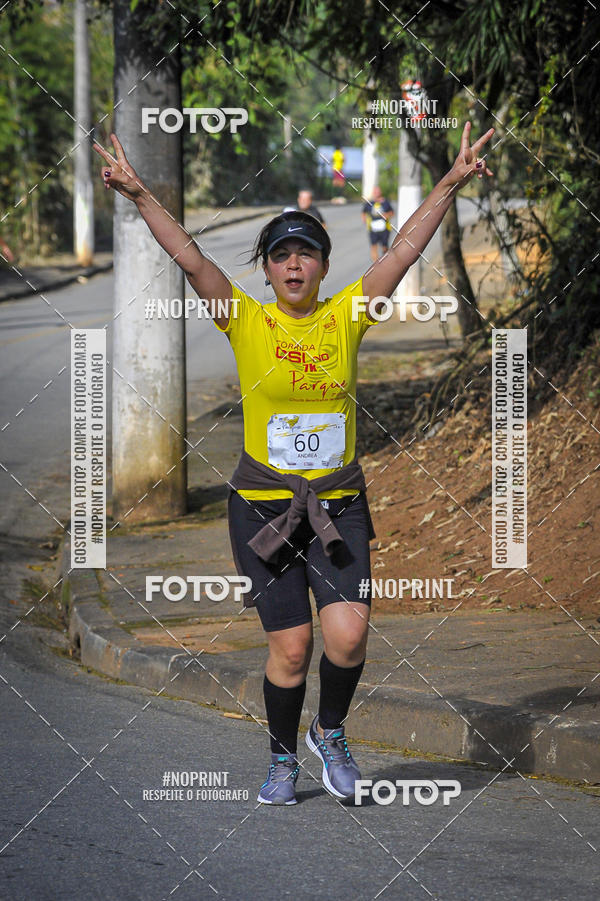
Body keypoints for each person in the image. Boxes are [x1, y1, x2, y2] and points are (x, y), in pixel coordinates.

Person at [93, 121, 494, 805]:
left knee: (349, 634)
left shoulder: (347, 316)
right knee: (292, 648)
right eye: (282, 256)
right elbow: (190, 258)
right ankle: (282, 758)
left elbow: (402, 248)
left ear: (323, 263)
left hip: (338, 505)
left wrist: (451, 181)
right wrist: (137, 193)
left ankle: (328, 731)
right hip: (264, 510)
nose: (295, 265)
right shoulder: (244, 319)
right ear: (269, 267)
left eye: (306, 253)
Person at [362, 186, 394, 262]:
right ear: (373, 193)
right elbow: (363, 212)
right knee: (373, 247)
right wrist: (364, 220)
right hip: (373, 228)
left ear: (380, 192)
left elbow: (392, 212)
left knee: (384, 247)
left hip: (384, 228)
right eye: (375, 192)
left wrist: (387, 215)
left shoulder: (386, 202)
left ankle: (385, 262)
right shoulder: (369, 203)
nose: (376, 193)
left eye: (377, 191)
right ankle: (375, 265)